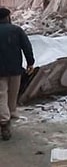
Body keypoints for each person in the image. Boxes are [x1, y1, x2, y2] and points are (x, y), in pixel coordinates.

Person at [0, 7, 34, 141]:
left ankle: (4, 121)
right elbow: (27, 46)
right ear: (7, 17)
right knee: (12, 95)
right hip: (15, 70)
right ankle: (9, 116)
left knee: (1, 95)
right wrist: (30, 62)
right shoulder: (16, 30)